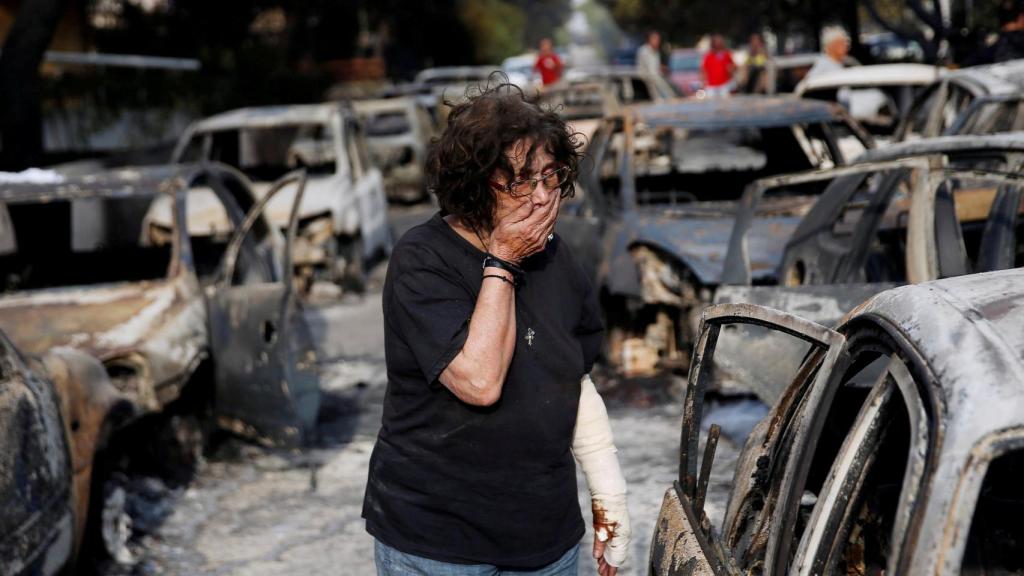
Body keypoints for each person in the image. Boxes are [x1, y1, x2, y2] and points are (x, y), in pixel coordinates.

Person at [363, 82, 631, 576]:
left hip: (544, 540)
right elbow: (479, 382)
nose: (544, 197)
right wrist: (503, 260)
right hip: (439, 543)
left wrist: (609, 499)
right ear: (473, 182)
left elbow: (572, 381)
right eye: (521, 181)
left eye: (551, 177)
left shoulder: (556, 259)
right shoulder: (422, 260)